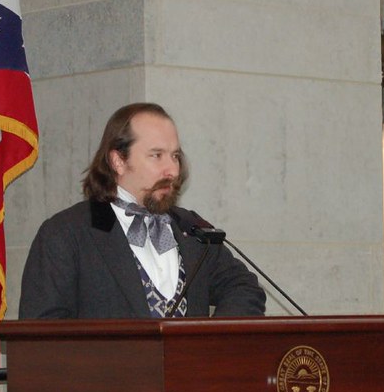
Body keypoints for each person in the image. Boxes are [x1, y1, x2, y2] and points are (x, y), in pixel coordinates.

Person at [19, 102, 266, 319]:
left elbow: (244, 287)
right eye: (156, 155)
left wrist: (209, 343)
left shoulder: (191, 229)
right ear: (118, 160)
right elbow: (41, 337)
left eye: (175, 156)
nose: (172, 170)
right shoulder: (67, 233)